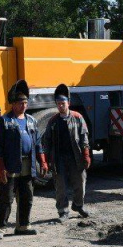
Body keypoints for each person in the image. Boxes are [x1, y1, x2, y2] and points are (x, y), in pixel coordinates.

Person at [0, 79, 46, 239]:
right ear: (13, 104)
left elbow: (37, 143)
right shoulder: (5, 121)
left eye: (25, 102)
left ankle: (23, 226)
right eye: (20, 103)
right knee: (6, 198)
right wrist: (0, 168)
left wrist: (42, 161)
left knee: (27, 196)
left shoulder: (32, 121)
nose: (23, 105)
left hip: (28, 165)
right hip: (10, 165)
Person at [40, 83, 91, 222]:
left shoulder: (78, 117)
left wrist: (86, 155)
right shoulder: (53, 121)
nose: (60, 106)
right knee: (60, 187)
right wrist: (45, 160)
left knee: (80, 182)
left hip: (76, 157)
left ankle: (78, 205)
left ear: (68, 103)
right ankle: (63, 211)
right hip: (59, 159)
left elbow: (84, 137)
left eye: (63, 103)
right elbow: (46, 142)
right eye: (58, 103)